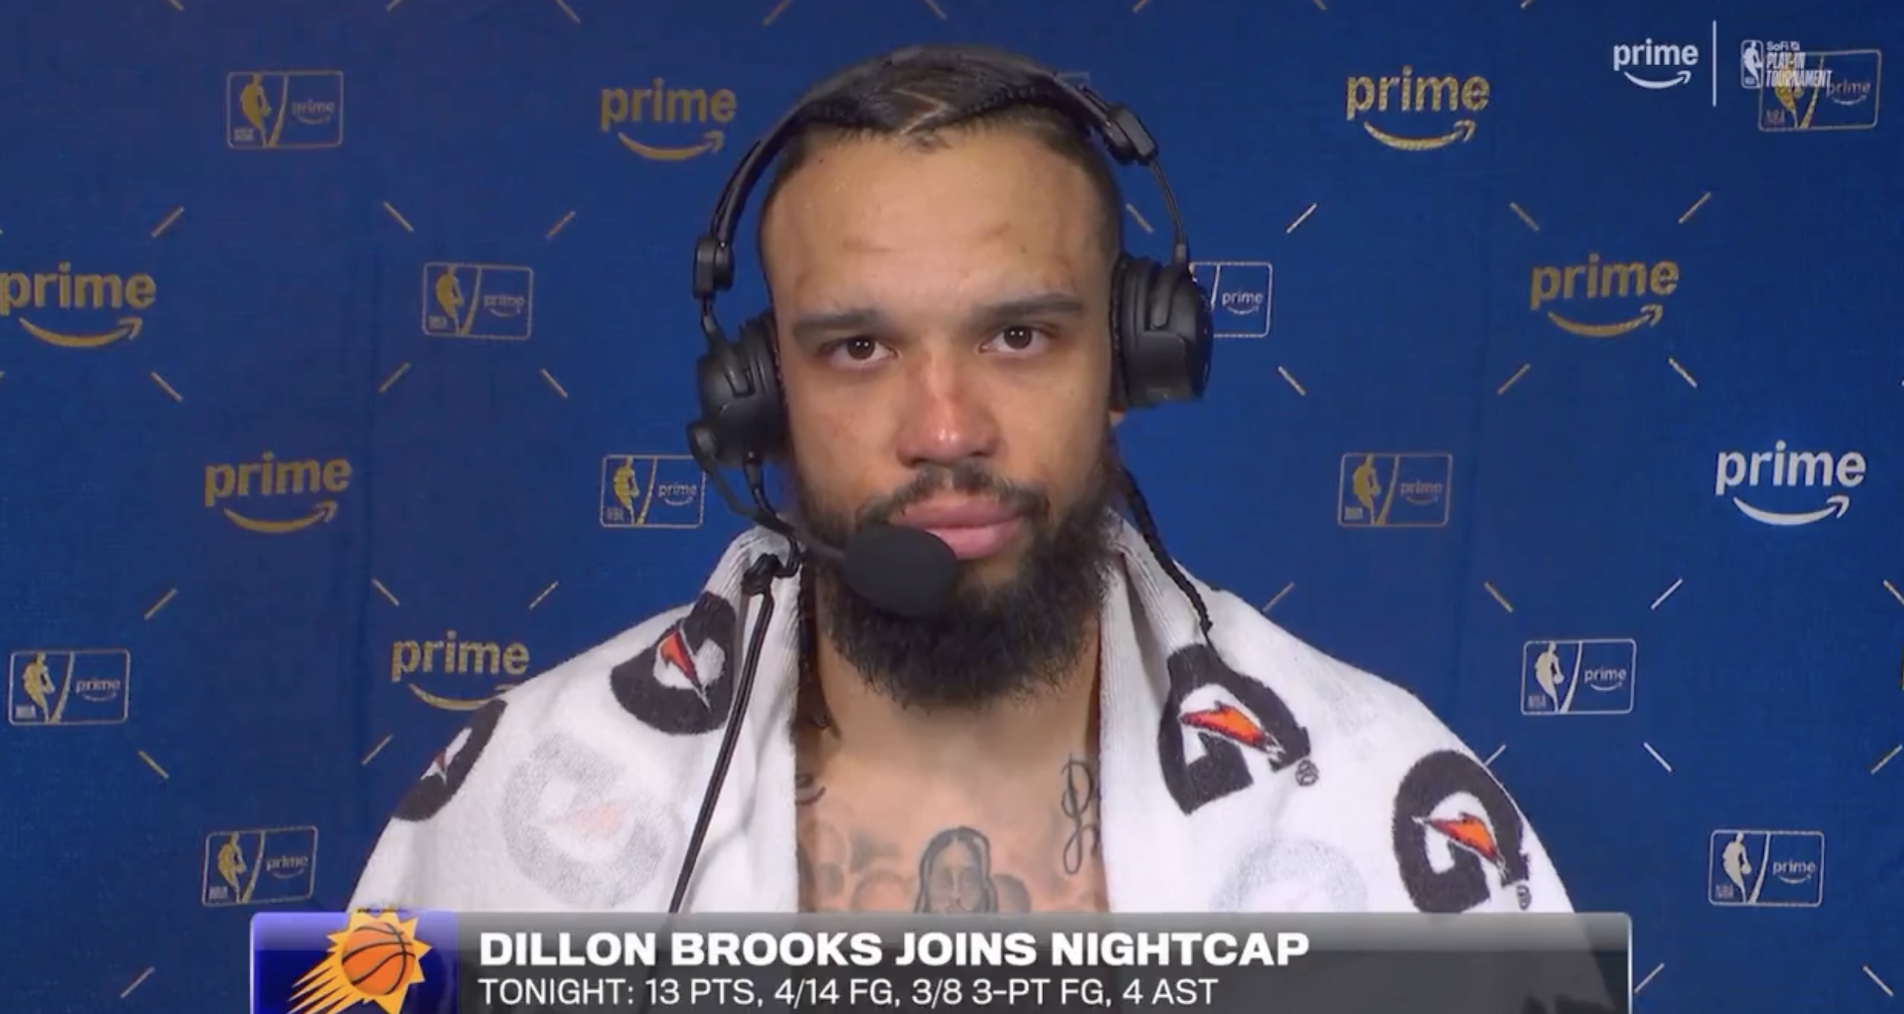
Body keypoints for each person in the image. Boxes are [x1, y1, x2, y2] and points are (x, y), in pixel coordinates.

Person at [348, 45, 1577, 921]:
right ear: (760, 401)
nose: (944, 430)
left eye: (1017, 336)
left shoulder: (1380, 798)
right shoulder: (528, 791)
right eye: (858, 349)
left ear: (1128, 362)